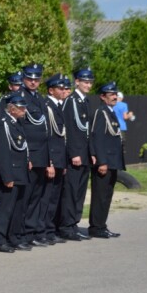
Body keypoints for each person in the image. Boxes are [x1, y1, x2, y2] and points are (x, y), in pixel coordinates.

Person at [58, 67, 95, 241]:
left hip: (85, 153)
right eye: (85, 82)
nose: (88, 85)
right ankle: (66, 226)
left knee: (80, 192)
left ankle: (74, 223)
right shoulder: (71, 101)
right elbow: (69, 129)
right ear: (77, 82)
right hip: (75, 155)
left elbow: (87, 130)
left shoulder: (84, 102)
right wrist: (74, 153)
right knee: (71, 191)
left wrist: (92, 152)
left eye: (90, 82)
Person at [19, 63, 53, 248]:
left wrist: (48, 159)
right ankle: (22, 233)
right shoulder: (20, 97)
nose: (33, 82)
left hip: (41, 156)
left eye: (36, 79)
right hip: (30, 156)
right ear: (24, 78)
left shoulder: (39, 99)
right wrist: (27, 157)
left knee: (35, 198)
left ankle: (31, 232)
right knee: (26, 198)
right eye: (30, 78)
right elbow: (21, 131)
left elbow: (44, 130)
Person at [0, 92, 30, 252]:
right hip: (11, 172)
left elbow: (22, 146)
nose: (24, 111)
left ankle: (14, 236)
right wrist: (7, 176)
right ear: (12, 109)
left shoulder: (18, 123)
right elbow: (2, 152)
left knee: (18, 208)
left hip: (21, 171)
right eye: (21, 108)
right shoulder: (4, 124)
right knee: (5, 207)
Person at [88, 82, 124, 239]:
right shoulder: (100, 112)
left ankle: (102, 225)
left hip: (112, 161)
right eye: (111, 94)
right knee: (100, 196)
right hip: (105, 162)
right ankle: (96, 227)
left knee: (107, 195)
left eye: (115, 94)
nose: (115, 96)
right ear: (103, 97)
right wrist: (101, 161)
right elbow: (97, 138)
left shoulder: (111, 112)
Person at [43, 74, 68, 245]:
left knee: (54, 197)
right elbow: (48, 137)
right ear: (51, 90)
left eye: (64, 88)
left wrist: (62, 162)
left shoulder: (58, 106)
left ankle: (50, 229)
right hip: (52, 159)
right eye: (60, 88)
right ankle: (43, 229)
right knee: (47, 197)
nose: (63, 91)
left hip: (59, 159)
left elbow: (61, 137)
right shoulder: (47, 107)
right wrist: (50, 162)